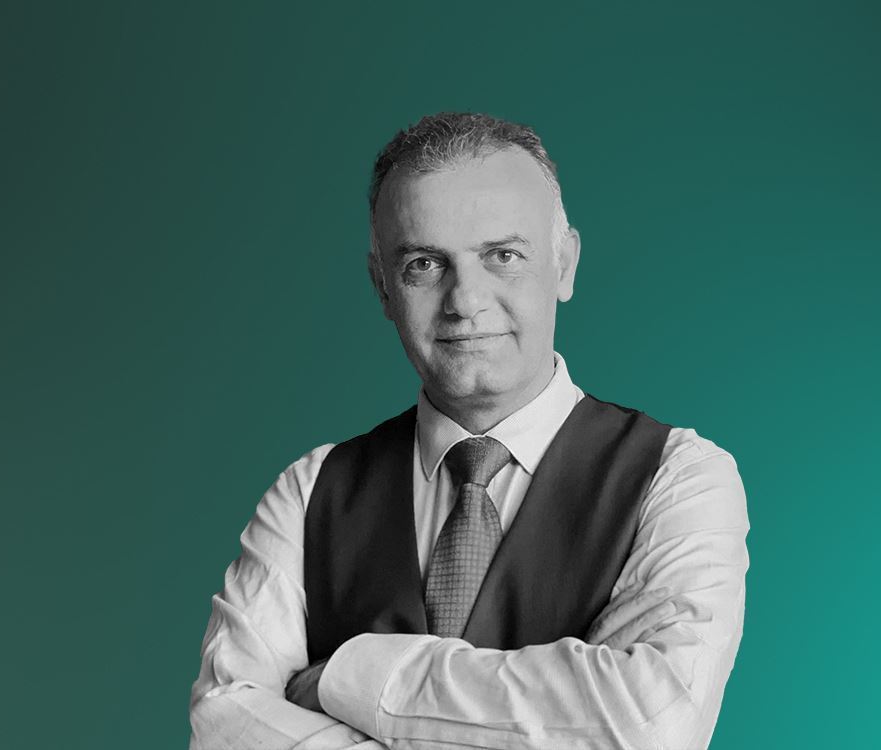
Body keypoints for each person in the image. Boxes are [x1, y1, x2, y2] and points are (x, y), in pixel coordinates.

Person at [189, 112, 750, 749]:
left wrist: (348, 677)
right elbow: (224, 725)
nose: (465, 301)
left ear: (564, 264)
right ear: (382, 288)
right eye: (425, 264)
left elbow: (649, 726)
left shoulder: (678, 478)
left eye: (503, 256)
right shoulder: (310, 492)